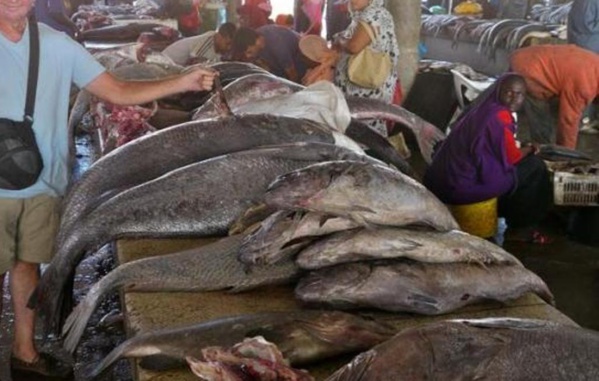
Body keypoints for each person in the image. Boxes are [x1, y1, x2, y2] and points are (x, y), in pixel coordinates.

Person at [0, 0, 216, 377]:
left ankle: (25, 352)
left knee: (26, 264)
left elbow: (116, 89)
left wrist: (184, 81)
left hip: (42, 182)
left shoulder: (59, 45)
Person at [424, 74, 552, 243]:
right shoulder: (499, 116)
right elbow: (512, 157)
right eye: (509, 92)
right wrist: (530, 148)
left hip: (439, 181)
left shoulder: (482, 109)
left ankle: (506, 213)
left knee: (516, 168)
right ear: (499, 91)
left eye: (519, 93)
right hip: (459, 187)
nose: (514, 98)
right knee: (535, 167)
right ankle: (521, 227)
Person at [328, 0, 399, 136]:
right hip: (362, 87)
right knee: (363, 127)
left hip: (365, 87)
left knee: (363, 129)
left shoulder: (374, 13)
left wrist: (339, 40)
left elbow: (354, 46)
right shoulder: (366, 14)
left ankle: (367, 154)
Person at [510, 44, 599, 149]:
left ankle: (524, 146)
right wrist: (567, 154)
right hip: (529, 69)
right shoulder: (586, 85)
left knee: (552, 111)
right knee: (541, 117)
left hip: (528, 57)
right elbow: (568, 120)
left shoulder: (595, 66)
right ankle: (542, 153)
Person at [231, 24, 307, 82]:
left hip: (300, 62)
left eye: (249, 52)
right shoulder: (256, 40)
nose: (248, 56)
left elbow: (293, 75)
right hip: (282, 69)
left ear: (257, 43)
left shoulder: (276, 43)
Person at [162, 21, 237, 65]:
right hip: (165, 63)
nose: (229, 48)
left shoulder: (218, 48)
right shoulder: (206, 42)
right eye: (227, 44)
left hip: (177, 66)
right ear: (219, 37)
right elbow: (193, 64)